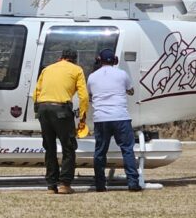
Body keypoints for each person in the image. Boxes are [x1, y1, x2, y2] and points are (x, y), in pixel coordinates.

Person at [32, 48, 89, 195]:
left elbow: (36, 92)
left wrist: (37, 110)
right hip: (61, 110)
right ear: (74, 59)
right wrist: (82, 116)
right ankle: (65, 184)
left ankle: (51, 185)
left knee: (49, 147)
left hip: (43, 108)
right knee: (68, 147)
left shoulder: (47, 69)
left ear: (60, 57)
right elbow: (83, 96)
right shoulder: (77, 69)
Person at [86, 49, 142, 192]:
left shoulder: (92, 77)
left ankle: (100, 184)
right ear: (115, 61)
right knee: (127, 150)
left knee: (100, 152)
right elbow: (131, 91)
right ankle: (133, 183)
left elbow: (90, 95)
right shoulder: (122, 74)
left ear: (99, 60)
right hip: (121, 117)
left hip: (101, 119)